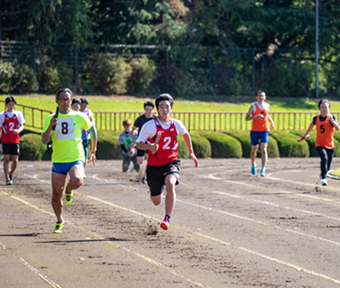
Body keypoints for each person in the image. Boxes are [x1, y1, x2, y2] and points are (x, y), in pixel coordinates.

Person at [136, 94, 198, 231]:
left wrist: (191, 151)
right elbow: (139, 144)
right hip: (154, 166)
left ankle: (167, 219)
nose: (164, 109)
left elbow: (186, 134)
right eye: (161, 107)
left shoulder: (176, 124)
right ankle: (157, 187)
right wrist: (149, 147)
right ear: (157, 109)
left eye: (167, 107)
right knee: (156, 201)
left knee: (171, 183)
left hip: (171, 162)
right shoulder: (150, 125)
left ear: (171, 109)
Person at [42, 88, 98, 233]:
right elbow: (44, 140)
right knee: (55, 196)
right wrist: (51, 126)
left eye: (68, 99)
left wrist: (93, 150)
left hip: (76, 157)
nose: (66, 102)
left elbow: (92, 130)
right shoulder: (50, 118)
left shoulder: (79, 116)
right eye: (63, 99)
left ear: (71, 101)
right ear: (57, 101)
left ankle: (69, 190)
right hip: (59, 159)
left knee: (78, 180)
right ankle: (59, 220)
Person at [301, 99, 339, 186]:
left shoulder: (332, 117)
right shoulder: (316, 118)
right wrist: (306, 134)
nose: (324, 109)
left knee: (328, 166)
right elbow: (311, 125)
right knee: (324, 158)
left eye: (326, 107)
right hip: (320, 144)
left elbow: (337, 128)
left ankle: (323, 173)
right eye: (322, 107)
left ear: (329, 108)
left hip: (330, 145)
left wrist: (333, 121)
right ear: (319, 109)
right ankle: (323, 178)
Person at [245, 90, 274, 177]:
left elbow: (267, 115)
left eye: (263, 96)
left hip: (265, 130)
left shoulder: (267, 106)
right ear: (256, 97)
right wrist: (255, 117)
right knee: (254, 150)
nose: (261, 97)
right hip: (255, 131)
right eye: (259, 96)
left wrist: (271, 121)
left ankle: (263, 169)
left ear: (265, 97)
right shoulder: (253, 106)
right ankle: (253, 164)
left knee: (263, 149)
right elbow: (247, 118)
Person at [0, 96, 25, 185]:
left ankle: (10, 174)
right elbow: (0, 129)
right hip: (5, 140)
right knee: (6, 159)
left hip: (15, 140)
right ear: (6, 105)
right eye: (9, 105)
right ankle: (7, 178)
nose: (11, 107)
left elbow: (22, 126)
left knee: (15, 160)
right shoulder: (2, 115)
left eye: (13, 105)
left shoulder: (18, 114)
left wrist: (18, 130)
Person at [130, 101, 155, 184]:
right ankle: (141, 170)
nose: (148, 112)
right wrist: (132, 142)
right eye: (147, 110)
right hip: (141, 142)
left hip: (151, 142)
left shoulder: (155, 119)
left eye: (150, 110)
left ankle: (144, 176)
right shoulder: (140, 119)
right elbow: (133, 129)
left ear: (153, 110)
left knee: (150, 160)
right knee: (140, 161)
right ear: (144, 110)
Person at [79, 98, 95, 178]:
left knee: (85, 154)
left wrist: (92, 125)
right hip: (77, 137)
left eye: (85, 106)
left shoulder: (88, 111)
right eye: (82, 106)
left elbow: (92, 119)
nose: (84, 107)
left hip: (85, 136)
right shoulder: (76, 112)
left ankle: (83, 172)